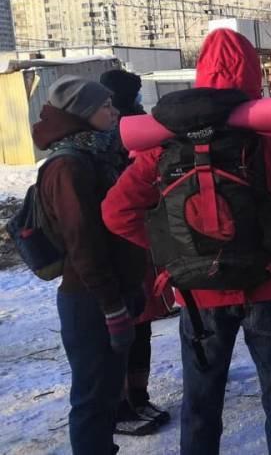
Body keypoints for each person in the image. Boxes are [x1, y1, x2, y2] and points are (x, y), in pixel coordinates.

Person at [102, 29, 271, 455]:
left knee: (202, 400)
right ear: (254, 73)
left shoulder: (166, 136)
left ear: (202, 72)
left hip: (198, 293)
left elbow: (116, 212)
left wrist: (174, 253)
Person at [31, 75, 147, 454]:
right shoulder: (69, 167)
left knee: (106, 394)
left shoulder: (97, 154)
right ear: (82, 113)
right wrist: (112, 306)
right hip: (90, 300)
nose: (114, 112)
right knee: (93, 399)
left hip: (108, 294)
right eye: (104, 106)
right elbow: (84, 247)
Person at [100, 68, 174, 435]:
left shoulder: (140, 129)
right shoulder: (99, 142)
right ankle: (120, 405)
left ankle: (138, 397)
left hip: (139, 239)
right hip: (119, 242)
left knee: (142, 324)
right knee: (124, 328)